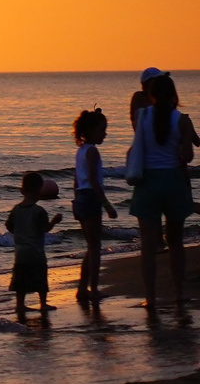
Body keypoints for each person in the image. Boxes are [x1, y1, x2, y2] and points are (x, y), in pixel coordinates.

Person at [125, 69, 195, 313]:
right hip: (174, 182)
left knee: (148, 245)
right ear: (174, 94)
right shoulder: (182, 120)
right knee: (175, 243)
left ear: (151, 94)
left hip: (148, 185)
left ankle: (151, 298)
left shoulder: (142, 115)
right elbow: (187, 155)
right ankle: (179, 294)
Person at [71, 109, 119, 303]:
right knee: (95, 247)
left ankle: (83, 288)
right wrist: (107, 205)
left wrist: (75, 200)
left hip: (81, 197)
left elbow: (76, 179)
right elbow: (93, 180)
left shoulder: (81, 151)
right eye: (102, 130)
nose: (104, 134)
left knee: (91, 247)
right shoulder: (91, 151)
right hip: (90, 197)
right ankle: (94, 288)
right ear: (90, 130)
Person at [6, 171, 57, 316]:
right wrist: (54, 221)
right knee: (40, 276)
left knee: (21, 279)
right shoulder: (39, 211)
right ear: (39, 191)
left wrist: (19, 231)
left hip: (20, 252)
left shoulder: (16, 209)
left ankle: (20, 304)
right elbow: (45, 229)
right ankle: (43, 303)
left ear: (22, 191)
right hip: (36, 252)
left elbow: (9, 226)